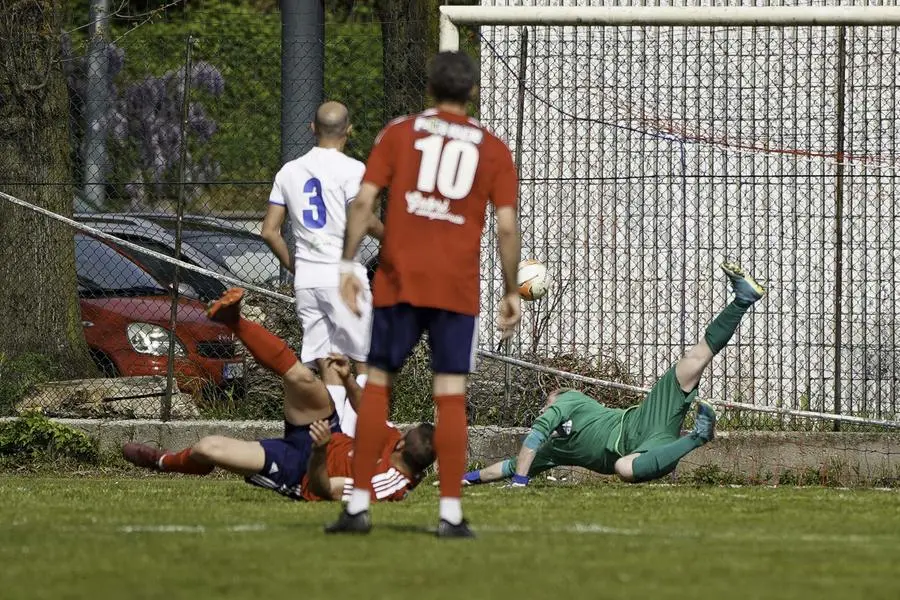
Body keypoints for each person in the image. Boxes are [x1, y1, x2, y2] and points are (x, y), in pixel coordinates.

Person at [325, 51, 522, 538]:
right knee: (451, 395)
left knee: (377, 386)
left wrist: (349, 264)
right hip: (456, 286)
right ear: (473, 92)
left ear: (429, 89)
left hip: (399, 279)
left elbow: (365, 200)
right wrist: (512, 288)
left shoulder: (399, 132)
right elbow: (506, 225)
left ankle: (357, 507)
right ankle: (451, 516)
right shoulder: (493, 148)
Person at [462, 262, 765, 487]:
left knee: (694, 359)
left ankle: (742, 300)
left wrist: (520, 482)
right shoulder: (556, 449)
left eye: (550, 398)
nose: (546, 402)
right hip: (643, 449)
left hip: (645, 419)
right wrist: (468, 479)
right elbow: (512, 464)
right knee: (624, 468)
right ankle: (698, 437)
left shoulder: (568, 403)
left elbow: (532, 440)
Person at [122, 288, 434, 502]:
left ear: (405, 444)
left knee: (208, 448)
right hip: (326, 433)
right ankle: (234, 321)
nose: (398, 432)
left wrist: (321, 451)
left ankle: (163, 461)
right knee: (302, 379)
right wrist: (349, 380)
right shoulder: (393, 443)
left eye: (404, 433)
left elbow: (324, 489)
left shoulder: (382, 485)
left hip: (300, 469)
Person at [261, 101, 382, 436]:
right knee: (364, 359)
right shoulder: (352, 169)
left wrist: (296, 269)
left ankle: (335, 436)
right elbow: (364, 217)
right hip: (341, 275)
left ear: (312, 128)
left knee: (328, 359)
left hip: (308, 280)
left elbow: (269, 231)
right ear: (349, 130)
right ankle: (367, 435)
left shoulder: (288, 172)